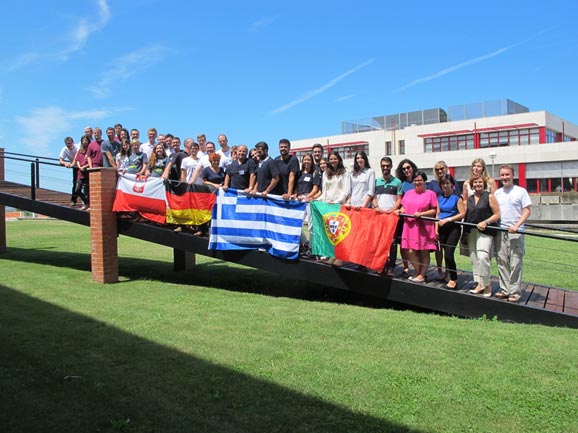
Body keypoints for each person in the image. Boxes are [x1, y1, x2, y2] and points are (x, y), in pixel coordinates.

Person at [493, 165, 532, 303]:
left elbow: (527, 210)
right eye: (502, 175)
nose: (504, 177)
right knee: (502, 261)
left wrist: (517, 226)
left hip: (516, 232)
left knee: (516, 263)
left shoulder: (521, 192)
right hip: (501, 232)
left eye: (507, 175)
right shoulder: (497, 193)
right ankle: (505, 289)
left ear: (513, 175)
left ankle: (514, 292)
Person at [395, 170, 438, 283]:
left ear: (424, 181)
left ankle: (422, 274)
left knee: (424, 251)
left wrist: (421, 214)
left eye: (419, 180)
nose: (417, 183)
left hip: (424, 226)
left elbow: (434, 210)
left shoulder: (430, 194)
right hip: (409, 226)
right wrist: (400, 210)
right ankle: (418, 271)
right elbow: (404, 206)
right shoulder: (408, 193)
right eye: (415, 180)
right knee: (410, 250)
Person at [464, 175, 501, 297]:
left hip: (485, 232)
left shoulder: (489, 196)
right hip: (471, 232)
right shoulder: (469, 198)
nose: (477, 184)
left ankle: (487, 285)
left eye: (480, 182)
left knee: (483, 256)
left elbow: (497, 214)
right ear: (472, 184)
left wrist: (486, 222)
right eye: (475, 182)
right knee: (474, 259)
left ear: (484, 184)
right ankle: (479, 284)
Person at [319, 151, 350, 266]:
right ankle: (330, 255)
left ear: (339, 159)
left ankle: (339, 258)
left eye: (335, 158)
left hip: (338, 206)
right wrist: (319, 201)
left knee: (338, 233)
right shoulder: (325, 173)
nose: (333, 161)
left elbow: (346, 191)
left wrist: (337, 201)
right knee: (329, 232)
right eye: (331, 159)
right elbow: (324, 191)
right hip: (327, 206)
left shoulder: (345, 172)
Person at [372, 157, 402, 276]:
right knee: (379, 241)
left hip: (391, 216)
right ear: (381, 166)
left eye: (388, 165)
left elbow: (399, 199)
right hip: (379, 215)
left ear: (391, 166)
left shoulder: (397, 182)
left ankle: (391, 267)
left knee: (392, 242)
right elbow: (373, 197)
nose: (385, 167)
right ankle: (381, 264)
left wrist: (392, 209)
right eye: (383, 165)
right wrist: (375, 206)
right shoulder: (376, 182)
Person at [435, 174, 466, 289]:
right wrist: (436, 229)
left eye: (447, 183)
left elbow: (462, 214)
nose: (445, 185)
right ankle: (447, 275)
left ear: (452, 185)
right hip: (442, 228)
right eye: (443, 184)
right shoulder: (439, 198)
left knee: (449, 254)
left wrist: (448, 219)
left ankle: (454, 278)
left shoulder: (457, 198)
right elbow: (437, 214)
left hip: (453, 228)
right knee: (443, 252)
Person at [394, 158, 419, 277]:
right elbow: (401, 201)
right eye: (403, 169)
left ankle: (419, 269)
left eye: (408, 167)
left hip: (417, 219)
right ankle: (405, 267)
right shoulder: (402, 184)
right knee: (403, 245)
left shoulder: (418, 181)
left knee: (417, 246)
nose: (406, 170)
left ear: (412, 168)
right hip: (403, 219)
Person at [59, 136, 79, 207]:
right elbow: (60, 160)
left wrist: (73, 163)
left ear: (73, 142)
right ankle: (73, 200)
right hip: (75, 168)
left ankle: (86, 201)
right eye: (67, 144)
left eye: (70, 143)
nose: (69, 145)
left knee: (82, 185)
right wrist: (65, 163)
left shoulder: (77, 147)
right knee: (75, 184)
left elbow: (77, 156)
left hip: (81, 166)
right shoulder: (64, 149)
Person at [73, 136, 91, 210]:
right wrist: (80, 167)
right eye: (83, 140)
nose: (84, 142)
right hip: (80, 173)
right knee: (77, 190)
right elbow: (77, 160)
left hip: (87, 173)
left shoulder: (90, 150)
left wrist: (85, 166)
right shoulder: (79, 150)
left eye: (86, 140)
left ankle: (88, 205)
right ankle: (87, 203)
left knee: (87, 191)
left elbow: (91, 160)